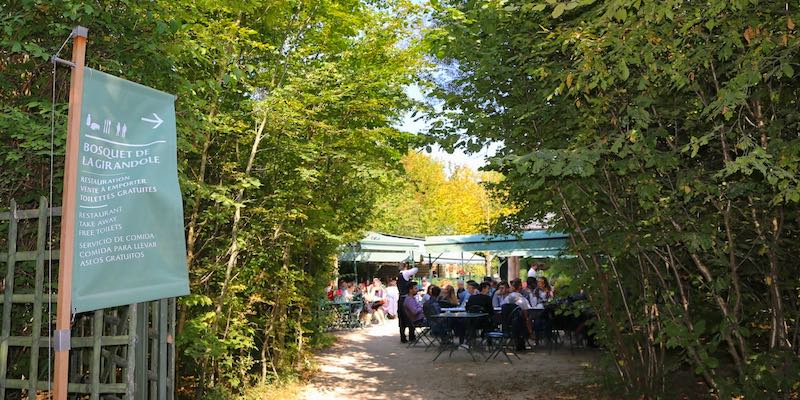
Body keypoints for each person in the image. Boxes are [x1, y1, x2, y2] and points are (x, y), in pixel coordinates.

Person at [504, 279, 534, 350]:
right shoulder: (523, 300)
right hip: (519, 325)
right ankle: (529, 336)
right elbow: (526, 314)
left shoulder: (506, 299)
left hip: (506, 323)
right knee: (528, 320)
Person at [397, 263, 419, 343]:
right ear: (406, 267)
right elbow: (416, 269)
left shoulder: (399, 275)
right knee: (410, 316)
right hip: (406, 298)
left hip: (400, 298)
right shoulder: (405, 273)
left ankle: (403, 337)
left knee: (401, 319)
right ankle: (412, 337)